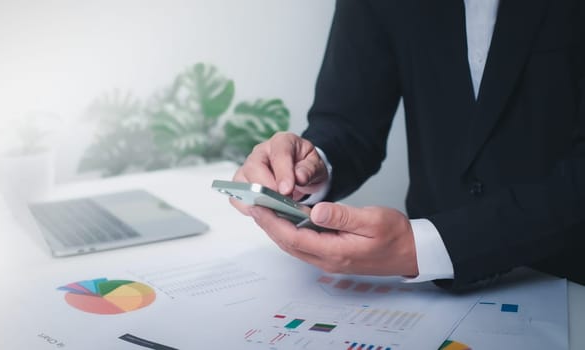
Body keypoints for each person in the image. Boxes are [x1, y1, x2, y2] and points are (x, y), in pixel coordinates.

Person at [231, 0, 585, 291]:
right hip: (431, 293)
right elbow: (348, 122)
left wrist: (424, 246)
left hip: (568, 279)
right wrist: (309, 165)